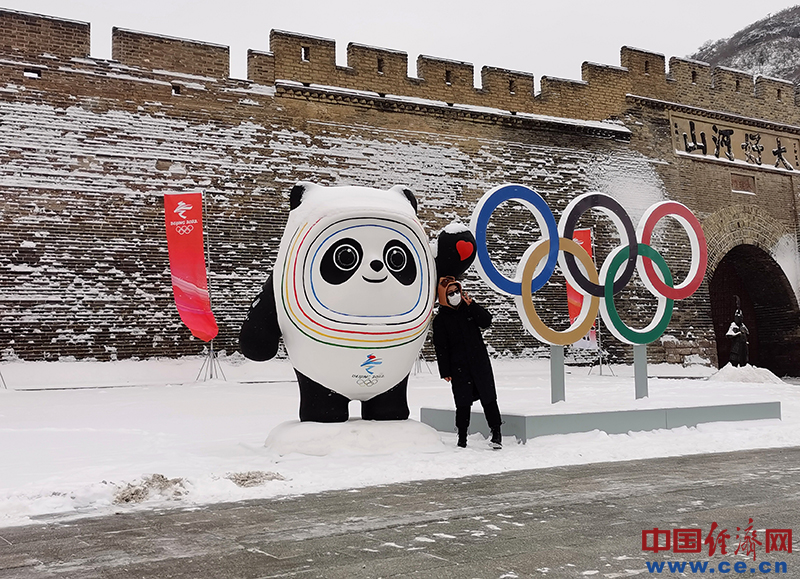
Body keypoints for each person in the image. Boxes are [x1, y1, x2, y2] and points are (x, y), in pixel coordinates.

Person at [432, 276, 502, 449]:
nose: (454, 295)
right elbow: (441, 347)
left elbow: (486, 321)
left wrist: (473, 305)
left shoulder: (469, 309)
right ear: (443, 296)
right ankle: (462, 436)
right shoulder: (441, 320)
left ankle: (496, 432)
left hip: (479, 362)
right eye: (450, 293)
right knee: (462, 401)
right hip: (459, 366)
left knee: (489, 397)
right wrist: (445, 370)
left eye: (457, 291)